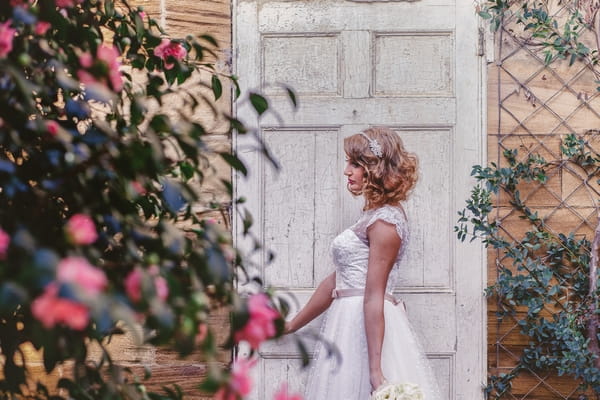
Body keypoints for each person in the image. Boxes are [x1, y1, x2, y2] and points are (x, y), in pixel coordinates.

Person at [284, 126, 442, 400]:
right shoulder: (372, 217)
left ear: (377, 170)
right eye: (349, 163)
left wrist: (375, 370)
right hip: (347, 323)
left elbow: (373, 296)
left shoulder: (385, 223)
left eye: (356, 164)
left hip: (363, 327)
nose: (347, 171)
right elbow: (337, 281)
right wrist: (291, 325)